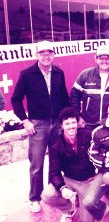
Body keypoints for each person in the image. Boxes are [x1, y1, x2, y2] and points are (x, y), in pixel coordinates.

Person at [11, 40, 69, 213]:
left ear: (53, 55)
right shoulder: (27, 74)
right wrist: (25, 120)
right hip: (38, 124)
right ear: (36, 55)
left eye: (49, 52)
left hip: (57, 124)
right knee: (36, 164)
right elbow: (16, 99)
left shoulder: (59, 73)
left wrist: (67, 119)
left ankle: (53, 193)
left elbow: (64, 98)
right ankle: (35, 198)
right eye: (42, 53)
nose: (46, 56)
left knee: (56, 161)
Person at [41, 107, 96, 222]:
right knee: (46, 195)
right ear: (61, 125)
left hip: (86, 180)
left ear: (77, 123)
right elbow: (54, 172)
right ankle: (68, 208)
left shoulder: (88, 135)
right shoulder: (56, 144)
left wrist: (97, 176)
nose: (71, 126)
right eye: (67, 123)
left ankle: (94, 202)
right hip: (68, 179)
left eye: (73, 122)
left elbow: (99, 155)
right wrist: (62, 188)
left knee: (87, 221)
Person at [70, 45, 109, 129]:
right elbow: (74, 96)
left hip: (108, 124)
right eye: (101, 58)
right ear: (95, 59)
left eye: (107, 58)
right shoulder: (85, 74)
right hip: (87, 123)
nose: (104, 61)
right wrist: (77, 117)